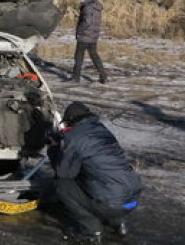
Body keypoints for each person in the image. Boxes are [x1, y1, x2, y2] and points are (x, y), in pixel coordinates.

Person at [49, 102, 141, 244]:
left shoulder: (74, 136)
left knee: (62, 186)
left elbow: (64, 173)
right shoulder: (102, 130)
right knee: (104, 180)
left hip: (111, 203)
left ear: (71, 119)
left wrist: (54, 149)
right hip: (132, 200)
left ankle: (91, 230)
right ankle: (118, 223)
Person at [72, 0, 107, 83]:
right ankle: (103, 75)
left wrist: (80, 30)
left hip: (84, 35)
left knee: (78, 56)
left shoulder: (87, 7)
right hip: (93, 35)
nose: (80, 0)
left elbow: (87, 21)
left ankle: (76, 78)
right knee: (94, 56)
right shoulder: (96, 7)